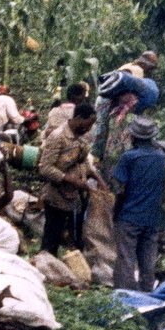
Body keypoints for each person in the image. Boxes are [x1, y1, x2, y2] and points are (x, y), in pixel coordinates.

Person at [110, 115, 165, 292]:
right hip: (153, 216)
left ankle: (125, 296)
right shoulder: (161, 157)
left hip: (130, 215)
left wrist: (115, 212)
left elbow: (120, 190)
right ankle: (147, 293)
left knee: (126, 259)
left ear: (133, 137)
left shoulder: (129, 158)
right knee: (148, 259)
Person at [37, 101, 96, 255]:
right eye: (87, 124)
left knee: (70, 237)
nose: (88, 128)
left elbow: (84, 163)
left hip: (73, 197)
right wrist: (70, 180)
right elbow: (45, 168)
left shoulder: (82, 138)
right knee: (52, 236)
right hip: (56, 195)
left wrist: (98, 181)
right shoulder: (58, 137)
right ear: (77, 118)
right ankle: (46, 263)